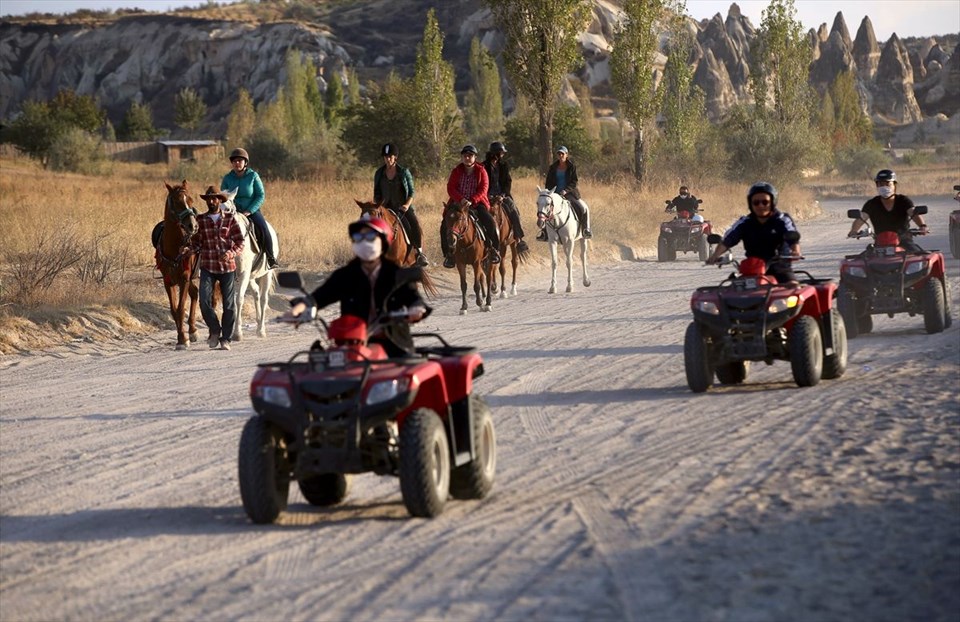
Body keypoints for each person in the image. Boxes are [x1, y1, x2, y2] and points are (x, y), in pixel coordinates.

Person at [284, 216, 430, 358]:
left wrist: (416, 309)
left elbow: (414, 299)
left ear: (384, 242)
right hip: (351, 343)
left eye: (371, 236)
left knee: (404, 375)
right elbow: (319, 297)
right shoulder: (345, 275)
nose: (364, 242)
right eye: (358, 237)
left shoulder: (397, 274)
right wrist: (297, 310)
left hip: (393, 345)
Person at [182, 186, 245, 351]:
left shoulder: (230, 219)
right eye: (209, 199)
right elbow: (197, 243)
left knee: (229, 305)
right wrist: (190, 250)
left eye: (215, 198)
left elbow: (240, 242)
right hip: (208, 267)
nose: (211, 201)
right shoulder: (201, 220)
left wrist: (231, 253)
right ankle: (215, 330)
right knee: (204, 301)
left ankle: (226, 339)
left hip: (227, 267)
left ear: (220, 200)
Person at [706, 182, 801, 285]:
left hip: (780, 270)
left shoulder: (782, 220)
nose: (760, 206)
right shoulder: (745, 222)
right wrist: (715, 255)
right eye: (756, 202)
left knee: (794, 289)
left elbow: (792, 235)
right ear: (750, 204)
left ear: (772, 202)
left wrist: (795, 250)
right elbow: (728, 240)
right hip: (752, 270)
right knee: (730, 294)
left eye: (765, 202)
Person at [443, 144, 500, 268]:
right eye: (465, 156)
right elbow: (450, 187)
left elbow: (484, 188)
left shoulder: (481, 170)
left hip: (477, 204)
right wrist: (461, 199)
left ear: (475, 157)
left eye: (470, 156)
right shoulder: (456, 170)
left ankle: (494, 249)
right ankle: (449, 254)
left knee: (489, 222)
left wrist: (472, 200)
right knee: (445, 224)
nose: (467, 158)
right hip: (458, 204)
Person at [221, 148, 278, 269]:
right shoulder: (227, 178)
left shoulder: (253, 176)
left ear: (245, 162)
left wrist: (250, 210)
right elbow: (223, 196)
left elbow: (260, 195)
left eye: (240, 161)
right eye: (235, 161)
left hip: (251, 211)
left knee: (263, 227)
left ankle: (270, 257)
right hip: (232, 212)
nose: (237, 163)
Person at [373, 143, 429, 267]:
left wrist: (407, 205)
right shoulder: (379, 173)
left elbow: (411, 191)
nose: (387, 159)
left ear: (395, 157)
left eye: (390, 156)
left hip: (402, 207)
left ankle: (419, 253)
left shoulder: (404, 172)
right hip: (385, 208)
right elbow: (376, 192)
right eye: (385, 157)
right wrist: (378, 206)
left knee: (413, 224)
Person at [847, 169, 927, 253]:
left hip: (904, 241)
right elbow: (861, 217)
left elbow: (913, 212)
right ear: (877, 186)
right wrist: (854, 231)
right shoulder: (872, 203)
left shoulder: (903, 201)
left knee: (920, 258)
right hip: (880, 243)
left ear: (894, 185)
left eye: (887, 183)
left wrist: (922, 226)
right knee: (860, 262)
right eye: (881, 184)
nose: (884, 187)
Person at [482, 141, 529, 253]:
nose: (502, 155)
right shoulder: (483, 166)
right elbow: (482, 182)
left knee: (514, 210)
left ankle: (518, 238)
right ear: (495, 153)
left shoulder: (504, 165)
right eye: (501, 153)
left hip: (502, 195)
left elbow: (508, 181)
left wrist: (503, 195)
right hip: (486, 196)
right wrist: (486, 195)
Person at [541, 145, 591, 240]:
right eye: (559, 154)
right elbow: (548, 182)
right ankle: (544, 232)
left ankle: (585, 230)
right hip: (555, 195)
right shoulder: (553, 168)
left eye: (562, 154)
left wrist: (566, 190)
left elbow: (574, 182)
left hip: (570, 194)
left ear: (566, 155)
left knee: (584, 208)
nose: (560, 155)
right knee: (544, 209)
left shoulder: (572, 167)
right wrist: (550, 192)